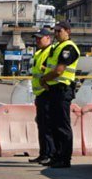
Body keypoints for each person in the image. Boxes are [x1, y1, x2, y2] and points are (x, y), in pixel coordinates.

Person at [37, 20, 81, 169]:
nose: (56, 34)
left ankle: (64, 158)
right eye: (55, 31)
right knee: (54, 125)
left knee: (62, 126)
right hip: (54, 90)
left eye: (59, 31)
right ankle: (56, 156)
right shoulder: (57, 47)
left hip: (63, 90)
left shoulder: (69, 47)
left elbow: (59, 70)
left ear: (67, 31)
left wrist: (44, 79)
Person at [28, 26, 55, 164]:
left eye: (40, 38)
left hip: (47, 93)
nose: (37, 40)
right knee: (42, 125)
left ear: (48, 38)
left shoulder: (51, 51)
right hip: (40, 94)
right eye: (36, 38)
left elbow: (51, 71)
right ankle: (43, 153)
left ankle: (50, 154)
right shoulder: (39, 53)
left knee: (47, 126)